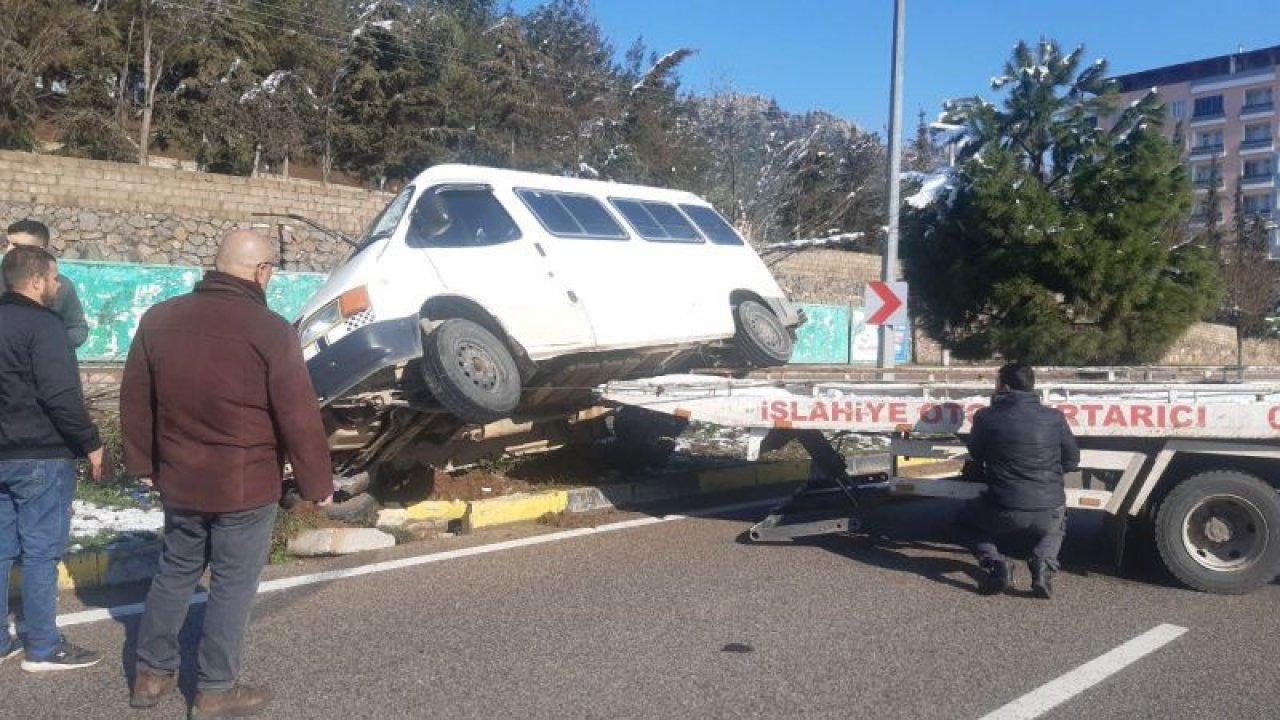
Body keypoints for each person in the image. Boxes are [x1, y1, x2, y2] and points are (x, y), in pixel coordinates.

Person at [120, 229, 333, 718]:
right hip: (244, 483)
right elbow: (298, 415)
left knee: (175, 571)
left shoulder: (160, 318)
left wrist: (143, 464)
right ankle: (215, 689)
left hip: (179, 478)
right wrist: (317, 484)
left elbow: (135, 397)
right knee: (233, 585)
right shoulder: (270, 330)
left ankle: (150, 675)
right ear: (262, 272)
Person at [0, 245, 105, 672]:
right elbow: (60, 396)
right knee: (42, 552)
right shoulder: (45, 326)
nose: (59, 286)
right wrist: (92, 443)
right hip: (40, 452)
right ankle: (43, 646)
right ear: (37, 280)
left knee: (1, 548)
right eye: (55, 278)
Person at [957, 362, 1079, 598]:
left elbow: (976, 453)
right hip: (1049, 507)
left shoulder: (986, 416)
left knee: (963, 522)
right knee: (1058, 521)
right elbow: (1072, 459)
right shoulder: (1054, 417)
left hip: (1003, 508)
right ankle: (1043, 566)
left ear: (1003, 386)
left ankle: (996, 564)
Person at [5, 219, 90, 348]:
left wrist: (49, 342)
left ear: (40, 250)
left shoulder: (62, 286)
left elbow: (79, 329)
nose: (8, 249)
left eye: (17, 246)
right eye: (8, 243)